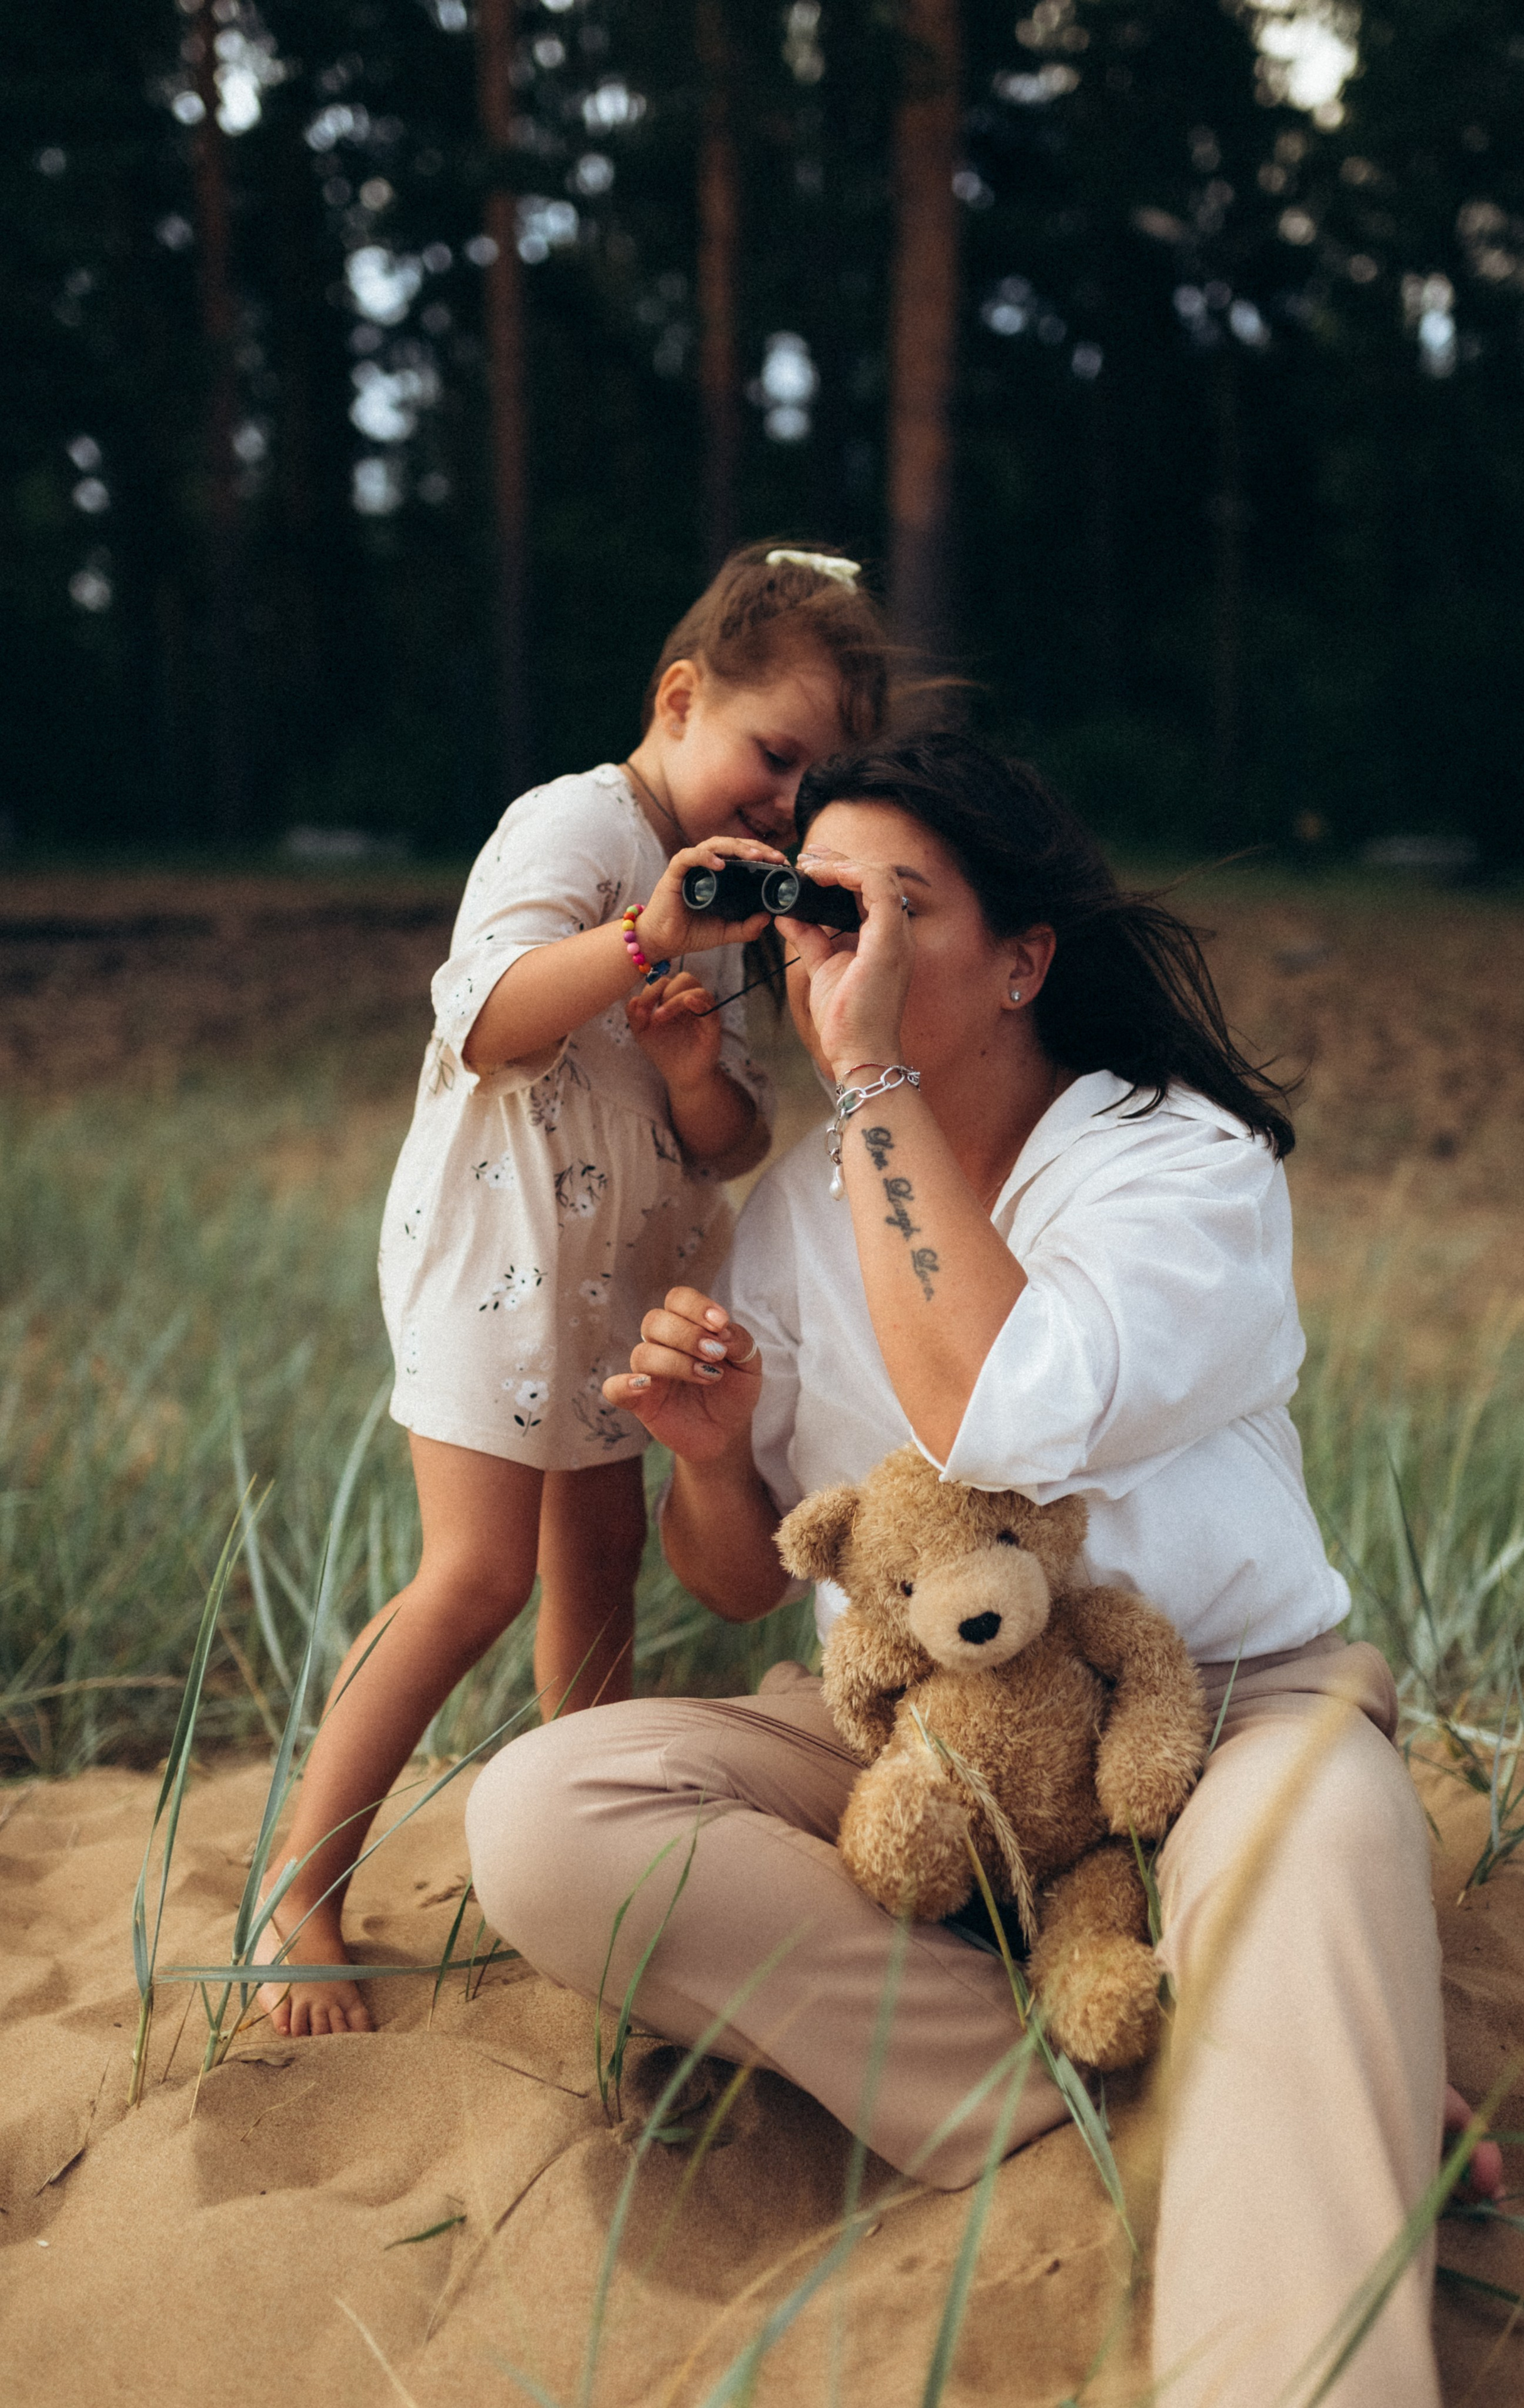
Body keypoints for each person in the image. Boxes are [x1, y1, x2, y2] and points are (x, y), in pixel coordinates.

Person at [465, 733, 1498, 2405]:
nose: (839, 949)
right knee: (545, 1816)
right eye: (819, 913)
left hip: (1224, 1717)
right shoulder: (793, 1213)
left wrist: (869, 1085)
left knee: (1310, 1862)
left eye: (894, 909)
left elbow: (998, 1412)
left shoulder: (1178, 1162)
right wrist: (716, 1454)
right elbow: (735, 1585)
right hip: (923, 1758)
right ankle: (1125, 2086)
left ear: (1023, 961)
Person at [259, 542, 892, 2038]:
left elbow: (732, 1139)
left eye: (816, 781)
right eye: (773, 752)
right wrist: (640, 941)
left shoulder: (736, 908)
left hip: (620, 1285)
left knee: (594, 1582)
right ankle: (301, 1889)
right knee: (472, 1578)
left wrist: (688, 1069)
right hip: (496, 1264)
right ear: (680, 700)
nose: (786, 800)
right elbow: (482, 1020)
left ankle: (586, 1864)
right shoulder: (578, 826)